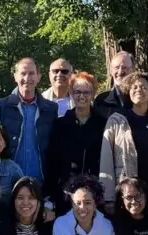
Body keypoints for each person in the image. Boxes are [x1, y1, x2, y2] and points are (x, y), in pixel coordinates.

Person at [100, 71, 148, 208]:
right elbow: (106, 160)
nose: (139, 90)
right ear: (128, 92)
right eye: (135, 87)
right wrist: (108, 197)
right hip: (128, 193)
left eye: (144, 87)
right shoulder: (116, 121)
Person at [44, 71, 106, 211]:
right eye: (77, 92)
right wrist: (50, 195)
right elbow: (52, 161)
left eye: (86, 92)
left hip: (93, 191)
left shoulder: (102, 125)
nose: (82, 96)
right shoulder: (60, 125)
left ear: (93, 94)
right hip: (65, 191)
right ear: (71, 93)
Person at [0, 58, 58, 184]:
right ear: (15, 76)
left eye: (31, 73)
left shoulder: (50, 109)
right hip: (8, 180)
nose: (27, 78)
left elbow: (54, 146)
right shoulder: (3, 106)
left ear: (38, 77)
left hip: (40, 180)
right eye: (23, 73)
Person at [93, 51, 134, 119]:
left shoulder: (143, 99)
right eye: (116, 68)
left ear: (133, 70)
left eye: (124, 67)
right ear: (111, 71)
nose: (120, 72)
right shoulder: (101, 101)